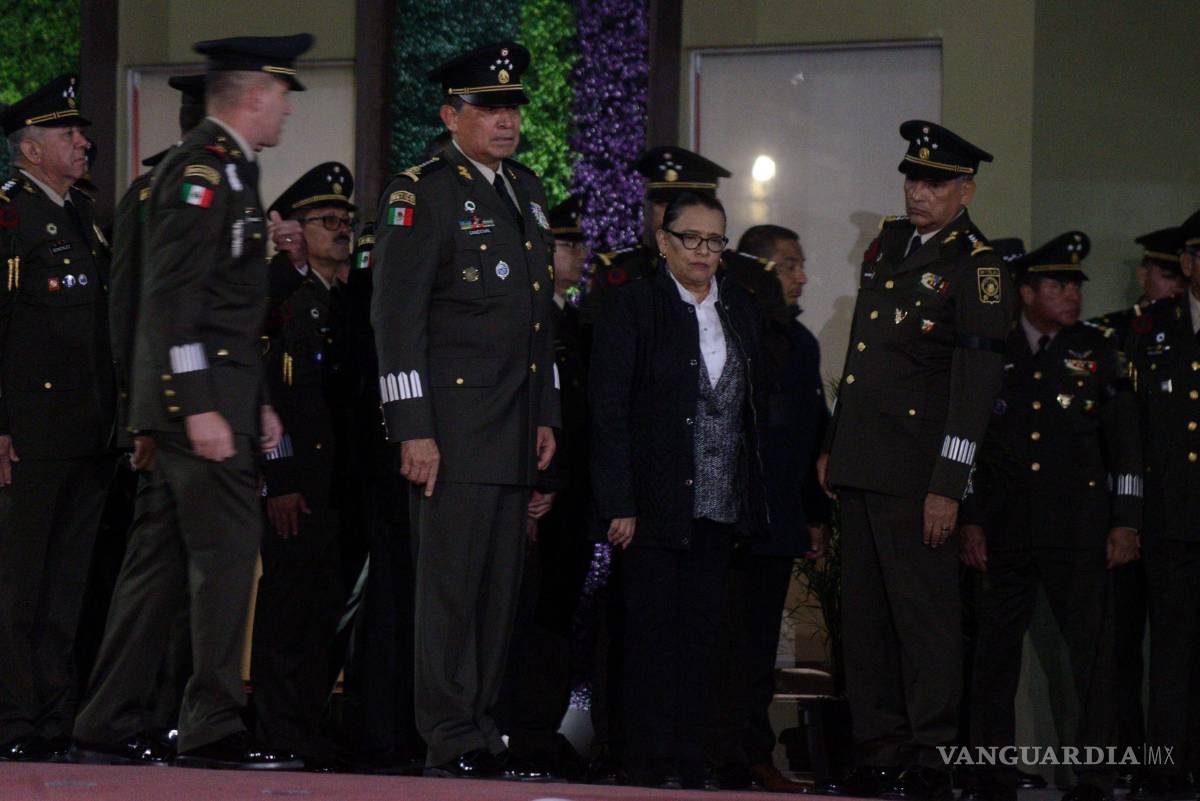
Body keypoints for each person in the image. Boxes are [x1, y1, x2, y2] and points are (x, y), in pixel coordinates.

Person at [71, 33, 312, 770]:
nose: (284, 114)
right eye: (280, 98)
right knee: (228, 559)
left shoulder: (230, 171)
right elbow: (171, 302)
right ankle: (211, 724)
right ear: (254, 96)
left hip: (208, 404)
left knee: (158, 568)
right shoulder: (201, 173)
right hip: (197, 414)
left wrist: (258, 400)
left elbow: (227, 312)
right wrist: (201, 405)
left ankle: (106, 721)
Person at [370, 41, 560, 779]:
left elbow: (538, 319)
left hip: (513, 430)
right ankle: (449, 735)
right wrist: (412, 427)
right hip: (451, 432)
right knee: (449, 593)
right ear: (452, 114)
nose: (505, 120)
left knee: (495, 596)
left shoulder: (527, 189)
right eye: (488, 107)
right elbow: (396, 323)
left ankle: (479, 727)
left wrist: (545, 414)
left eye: (512, 107)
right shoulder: (422, 192)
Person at [816, 120, 1013, 801]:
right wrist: (835, 443)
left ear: (966, 190)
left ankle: (931, 749)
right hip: (866, 459)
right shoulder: (889, 246)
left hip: (920, 471)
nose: (917, 190)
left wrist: (949, 485)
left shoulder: (979, 265)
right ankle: (880, 747)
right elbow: (864, 359)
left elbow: (976, 387)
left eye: (933, 181)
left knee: (923, 617)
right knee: (865, 617)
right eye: (912, 178)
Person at [590, 191, 769, 790]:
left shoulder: (741, 309)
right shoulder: (634, 306)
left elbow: (752, 411)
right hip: (650, 506)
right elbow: (609, 409)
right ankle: (644, 760)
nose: (703, 251)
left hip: (720, 507)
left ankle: (691, 759)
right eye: (691, 238)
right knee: (649, 638)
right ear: (663, 242)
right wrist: (618, 501)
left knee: (705, 637)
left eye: (715, 240)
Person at [961, 231, 1139, 801]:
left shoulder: (1098, 351)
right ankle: (991, 768)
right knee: (993, 657)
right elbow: (971, 443)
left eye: (1075, 285)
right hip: (1007, 528)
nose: (1071, 294)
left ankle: (1095, 774)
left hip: (1080, 531)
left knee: (1093, 657)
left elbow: (1126, 450)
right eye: (1057, 284)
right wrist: (970, 517)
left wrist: (1126, 521)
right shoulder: (995, 349)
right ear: (1027, 290)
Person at [0, 74, 116, 762]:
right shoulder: (11, 215)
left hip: (84, 432)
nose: (84, 143)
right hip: (29, 433)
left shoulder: (80, 215)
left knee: (65, 585)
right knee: (18, 583)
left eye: (82, 132)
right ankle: (12, 717)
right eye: (69, 133)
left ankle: (50, 713)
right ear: (31, 145)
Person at [708, 224, 830, 793]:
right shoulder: (726, 332)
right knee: (714, 643)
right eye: (788, 266)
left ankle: (750, 753)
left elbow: (811, 436)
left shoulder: (802, 344)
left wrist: (814, 516)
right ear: (754, 271)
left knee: (758, 649)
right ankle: (707, 751)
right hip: (723, 520)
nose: (800, 277)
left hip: (777, 522)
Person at [251, 162, 356, 766]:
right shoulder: (282, 298)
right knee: (288, 605)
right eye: (326, 221)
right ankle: (275, 725)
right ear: (296, 228)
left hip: (339, 483)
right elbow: (270, 396)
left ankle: (307, 719)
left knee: (326, 610)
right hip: (296, 482)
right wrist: (280, 476)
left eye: (345, 221)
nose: (340, 230)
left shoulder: (348, 299)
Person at [502, 194, 594, 780]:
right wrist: (539, 486)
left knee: (557, 618)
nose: (576, 254)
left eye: (577, 244)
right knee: (523, 618)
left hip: (573, 496)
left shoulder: (578, 319)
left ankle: (545, 732)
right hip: (533, 493)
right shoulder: (524, 317)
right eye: (565, 244)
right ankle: (520, 734)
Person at [1090, 226, 1186, 784]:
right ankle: (1126, 754)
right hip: (1122, 511)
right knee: (1119, 645)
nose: (1163, 283)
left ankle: (1176, 759)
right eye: (1159, 272)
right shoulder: (1114, 334)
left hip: (1175, 513)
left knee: (1178, 646)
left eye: (1172, 273)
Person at [1126, 209, 1200, 801]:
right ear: (1188, 263)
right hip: (1172, 520)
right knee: (1170, 652)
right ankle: (1166, 768)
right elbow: (1134, 432)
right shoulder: (1150, 329)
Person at [582, 147, 730, 322]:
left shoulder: (746, 278)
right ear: (649, 210)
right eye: (663, 204)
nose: (670, 215)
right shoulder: (619, 273)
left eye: (684, 206)